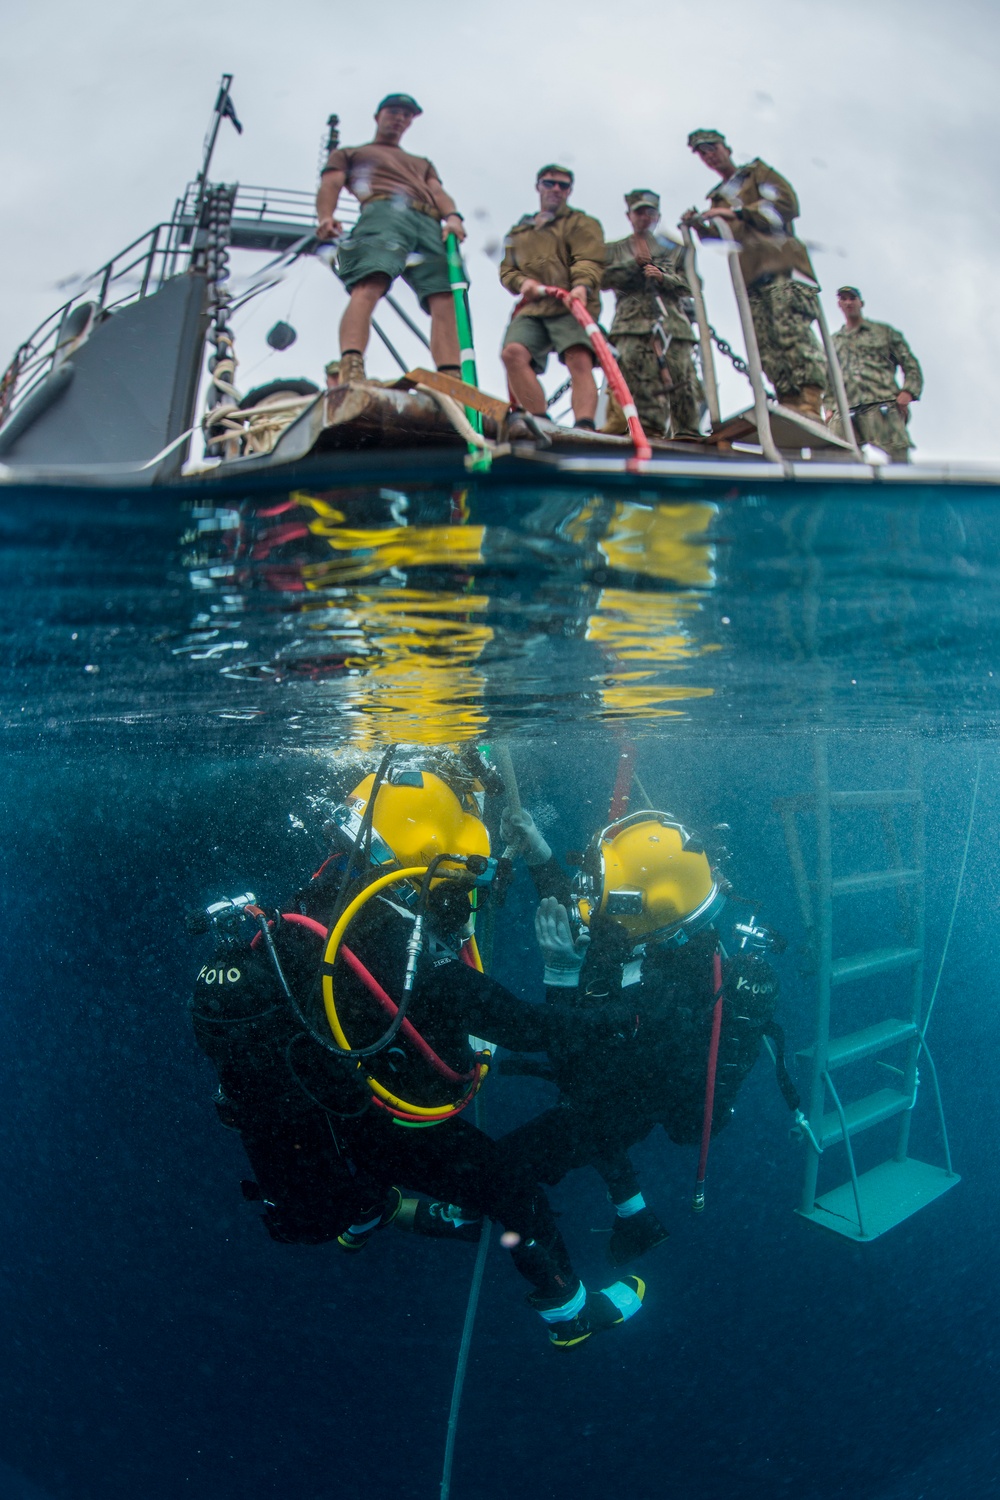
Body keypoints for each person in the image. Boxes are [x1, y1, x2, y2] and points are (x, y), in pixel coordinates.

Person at [189, 764, 646, 1350]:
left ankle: (368, 1210)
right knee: (515, 1192)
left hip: (326, 1112)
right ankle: (570, 1313)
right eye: (457, 883)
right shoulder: (414, 960)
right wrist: (612, 1013)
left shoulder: (311, 909)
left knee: (364, 1141)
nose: (461, 899)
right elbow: (531, 1028)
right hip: (385, 1125)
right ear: (427, 867)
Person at [496, 806, 782, 1267]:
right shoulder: (650, 936)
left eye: (609, 890)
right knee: (589, 1116)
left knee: (503, 1167)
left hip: (625, 1096)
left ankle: (564, 1298)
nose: (591, 895)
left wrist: (560, 973)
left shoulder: (661, 997)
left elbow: (568, 1058)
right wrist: (539, 853)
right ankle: (637, 1218)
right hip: (624, 1084)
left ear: (645, 906)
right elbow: (576, 911)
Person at [315, 94, 466, 385]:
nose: (400, 118)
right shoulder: (351, 153)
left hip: (429, 221)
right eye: (394, 111)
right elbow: (331, 183)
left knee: (445, 295)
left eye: (406, 115)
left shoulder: (422, 163)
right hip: (383, 211)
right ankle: (352, 365)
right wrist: (326, 216)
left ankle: (451, 378)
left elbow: (437, 192)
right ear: (378, 115)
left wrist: (453, 218)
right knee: (371, 280)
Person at [682, 129, 827, 419]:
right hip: (751, 278)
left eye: (712, 148)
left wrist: (740, 213)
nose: (710, 156)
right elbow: (722, 238)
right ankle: (788, 401)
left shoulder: (757, 174)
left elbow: (786, 205)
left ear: (726, 147)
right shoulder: (718, 199)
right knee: (766, 344)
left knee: (792, 335)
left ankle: (810, 400)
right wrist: (699, 226)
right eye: (703, 153)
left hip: (782, 268)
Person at [499, 166, 605, 429]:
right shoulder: (519, 232)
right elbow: (508, 270)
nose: (556, 189)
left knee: (578, 358)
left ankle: (584, 426)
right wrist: (522, 282)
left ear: (569, 191)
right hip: (534, 307)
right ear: (539, 187)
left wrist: (581, 287)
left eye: (563, 185)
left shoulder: (582, 223)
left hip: (572, 302)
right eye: (550, 183)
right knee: (513, 353)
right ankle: (539, 421)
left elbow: (589, 260)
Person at [601, 190, 704, 440]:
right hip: (631, 325)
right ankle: (647, 431)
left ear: (658, 215)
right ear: (629, 215)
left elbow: (693, 286)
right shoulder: (614, 250)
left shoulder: (676, 249)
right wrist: (633, 266)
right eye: (639, 212)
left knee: (682, 378)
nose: (645, 217)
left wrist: (663, 277)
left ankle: (687, 432)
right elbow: (602, 280)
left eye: (650, 212)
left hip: (672, 325)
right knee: (637, 383)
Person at [830, 286, 923, 464]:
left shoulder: (883, 332)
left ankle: (903, 490)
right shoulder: (834, 341)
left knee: (898, 456)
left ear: (861, 303)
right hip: (845, 408)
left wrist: (908, 392)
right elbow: (828, 376)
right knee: (836, 457)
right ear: (839, 304)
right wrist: (828, 406)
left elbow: (910, 363)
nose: (848, 302)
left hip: (880, 404)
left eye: (852, 298)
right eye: (844, 299)